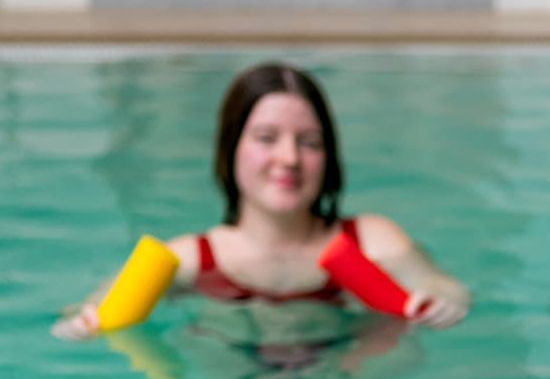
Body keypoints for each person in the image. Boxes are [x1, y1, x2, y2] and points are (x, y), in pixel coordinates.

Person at [53, 62, 471, 340]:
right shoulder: (191, 260)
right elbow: (103, 303)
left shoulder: (372, 241)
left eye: (309, 142)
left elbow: (440, 285)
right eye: (266, 138)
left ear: (329, 156)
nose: (289, 158)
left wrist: (443, 301)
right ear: (231, 148)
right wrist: (88, 317)